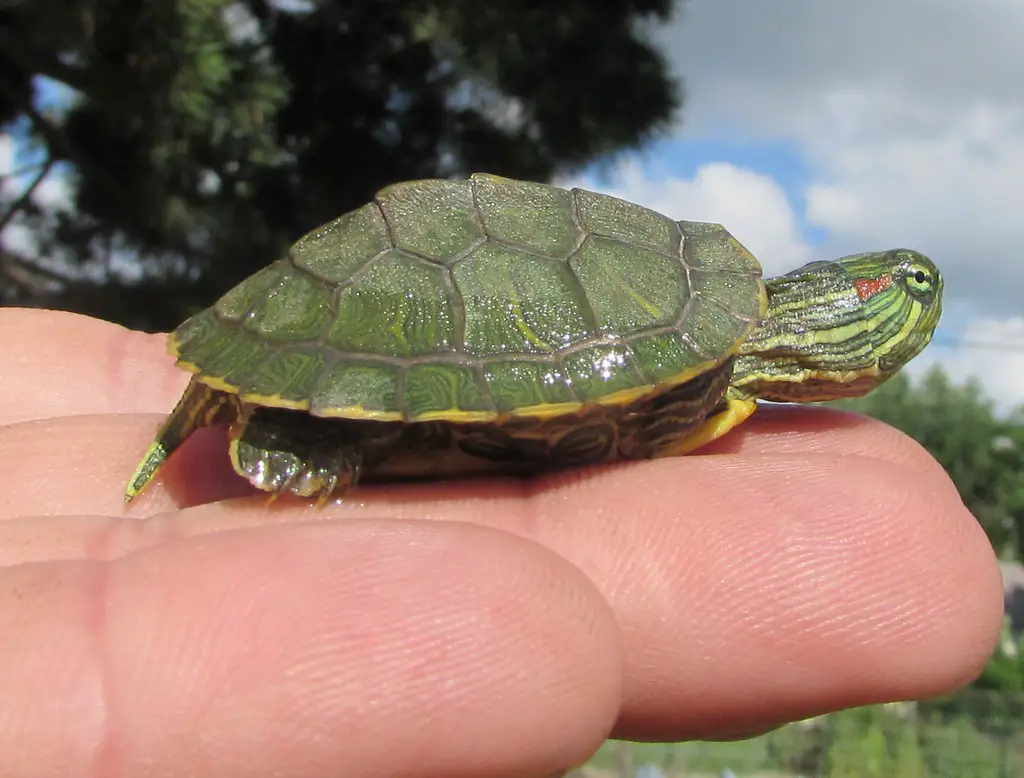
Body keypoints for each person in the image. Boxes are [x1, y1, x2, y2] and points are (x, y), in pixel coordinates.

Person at [0, 307, 1003, 777]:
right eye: (879, 302)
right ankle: (290, 412)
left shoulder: (722, 372)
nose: (902, 307)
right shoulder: (703, 345)